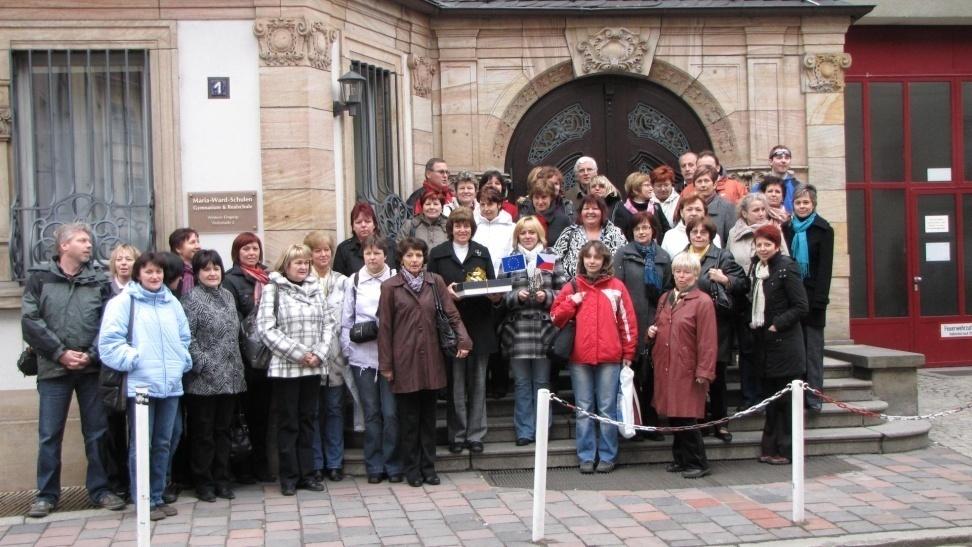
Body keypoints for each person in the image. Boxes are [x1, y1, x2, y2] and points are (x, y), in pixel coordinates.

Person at [22, 223, 126, 518]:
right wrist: (60, 353)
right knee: (49, 434)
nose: (89, 245)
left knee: (97, 432)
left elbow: (109, 321)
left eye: (89, 240)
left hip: (91, 370)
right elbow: (30, 320)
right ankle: (46, 495)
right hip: (53, 370)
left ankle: (101, 489)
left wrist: (91, 355)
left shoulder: (98, 280)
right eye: (82, 240)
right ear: (64, 246)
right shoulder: (40, 278)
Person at [99, 251, 192, 520]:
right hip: (141, 386)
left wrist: (181, 361)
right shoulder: (122, 302)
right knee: (142, 444)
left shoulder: (171, 303)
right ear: (139, 274)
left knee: (165, 441)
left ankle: (158, 495)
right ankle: (142, 499)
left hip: (170, 384)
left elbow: (184, 337)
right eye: (149, 272)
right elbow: (108, 344)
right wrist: (135, 359)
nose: (154, 276)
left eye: (158, 272)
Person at [378, 238, 472, 487]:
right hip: (404, 360)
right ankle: (412, 468)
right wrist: (386, 365)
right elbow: (385, 328)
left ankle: (429, 467)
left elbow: (452, 313)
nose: (414, 260)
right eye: (409, 256)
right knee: (408, 420)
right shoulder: (390, 287)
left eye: (418, 255)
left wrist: (464, 340)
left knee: (429, 419)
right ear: (401, 259)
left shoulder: (435, 282)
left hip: (431, 358)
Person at [551, 241, 638, 474]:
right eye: (588, 257)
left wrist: (629, 351)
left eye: (596, 257)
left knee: (607, 408)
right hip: (580, 357)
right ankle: (586, 455)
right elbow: (555, 316)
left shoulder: (617, 286)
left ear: (604, 261)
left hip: (610, 357)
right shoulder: (573, 286)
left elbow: (627, 322)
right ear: (582, 260)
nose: (592, 261)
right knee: (584, 408)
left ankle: (608, 455)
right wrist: (572, 302)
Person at [257, 244, 332, 496]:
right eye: (298, 263)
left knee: (308, 421)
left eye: (306, 263)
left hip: (312, 368)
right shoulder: (273, 289)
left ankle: (308, 474)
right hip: (287, 368)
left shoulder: (316, 289)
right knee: (288, 423)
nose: (303, 267)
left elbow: (328, 323)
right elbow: (267, 329)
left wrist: (319, 353)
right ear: (286, 265)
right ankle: (289, 476)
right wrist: (300, 354)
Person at [428, 207, 497, 455]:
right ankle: (456, 435)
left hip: (479, 325)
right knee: (456, 384)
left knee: (478, 384)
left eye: (466, 225)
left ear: (472, 228)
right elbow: (429, 290)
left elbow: (493, 286)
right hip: (451, 329)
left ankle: (476, 434)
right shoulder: (438, 254)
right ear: (450, 229)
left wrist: (494, 293)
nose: (462, 229)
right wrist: (445, 293)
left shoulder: (482, 252)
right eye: (457, 225)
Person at [180, 250, 247, 502]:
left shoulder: (228, 296)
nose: (212, 273)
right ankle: (203, 481)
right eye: (206, 269)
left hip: (230, 377)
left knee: (224, 432)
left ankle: (222, 479)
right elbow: (188, 338)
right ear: (197, 273)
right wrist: (204, 364)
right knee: (203, 433)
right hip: (203, 381)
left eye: (216, 268)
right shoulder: (191, 300)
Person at [647, 252, 717, 479]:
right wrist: (651, 333)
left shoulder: (703, 302)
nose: (681, 276)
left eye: (686, 272)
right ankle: (680, 458)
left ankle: (698, 461)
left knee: (687, 416)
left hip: (687, 368)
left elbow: (707, 340)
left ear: (695, 274)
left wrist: (704, 371)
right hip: (667, 364)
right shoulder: (666, 297)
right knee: (674, 415)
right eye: (678, 271)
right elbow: (660, 325)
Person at [498, 216, 567, 445]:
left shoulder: (547, 257)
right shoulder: (512, 259)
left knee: (541, 383)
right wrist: (515, 296)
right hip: (518, 331)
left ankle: (542, 430)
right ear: (517, 236)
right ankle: (525, 431)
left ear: (539, 235)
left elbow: (564, 291)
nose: (527, 237)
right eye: (523, 233)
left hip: (544, 330)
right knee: (521, 383)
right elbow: (499, 294)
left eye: (532, 233)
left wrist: (546, 296)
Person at [341, 235, 402, 484]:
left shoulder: (396, 278)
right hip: (363, 358)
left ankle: (393, 463)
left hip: (392, 358)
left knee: (391, 413)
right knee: (372, 414)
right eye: (368, 253)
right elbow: (346, 320)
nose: (373, 257)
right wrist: (348, 350)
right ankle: (374, 465)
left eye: (377, 253)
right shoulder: (354, 281)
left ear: (385, 255)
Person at [749, 224, 808, 465]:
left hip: (785, 346)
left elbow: (801, 305)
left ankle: (786, 449)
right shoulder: (757, 267)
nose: (762, 249)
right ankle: (770, 448)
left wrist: (777, 324)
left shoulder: (787, 268)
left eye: (767, 244)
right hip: (766, 345)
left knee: (785, 404)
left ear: (776, 245)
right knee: (771, 401)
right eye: (759, 244)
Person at [684, 218, 748, 442]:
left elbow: (743, 283)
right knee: (695, 378)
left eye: (703, 232)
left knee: (717, 377)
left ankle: (721, 423)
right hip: (690, 327)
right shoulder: (683, 257)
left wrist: (725, 279)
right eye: (694, 232)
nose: (699, 235)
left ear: (711, 235)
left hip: (717, 326)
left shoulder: (723, 256)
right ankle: (700, 421)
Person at [613, 211, 672, 441]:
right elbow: (618, 288)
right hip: (630, 323)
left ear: (653, 230)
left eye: (646, 228)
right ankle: (634, 423)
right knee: (633, 376)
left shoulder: (663, 257)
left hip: (655, 323)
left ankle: (652, 422)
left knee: (652, 377)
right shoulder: (623, 255)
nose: (642, 232)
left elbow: (668, 291)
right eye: (638, 228)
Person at [222, 232, 273, 483]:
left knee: (264, 416)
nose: (252, 253)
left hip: (269, 355)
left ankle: (262, 465)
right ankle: (244, 468)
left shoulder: (270, 277)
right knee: (244, 415)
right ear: (237, 253)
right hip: (245, 359)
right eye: (246, 250)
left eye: (255, 249)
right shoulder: (231, 280)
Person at [726, 193, 785, 409]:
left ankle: (768, 395)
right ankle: (749, 396)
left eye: (763, 209)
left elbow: (785, 261)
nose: (761, 214)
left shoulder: (774, 231)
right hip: (744, 300)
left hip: (770, 300)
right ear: (744, 213)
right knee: (747, 350)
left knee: (767, 348)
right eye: (756, 210)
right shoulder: (734, 233)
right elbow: (729, 261)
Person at [304, 231, 352, 482]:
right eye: (317, 250)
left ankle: (334, 462)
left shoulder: (343, 281)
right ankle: (316, 462)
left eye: (327, 250)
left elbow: (348, 317)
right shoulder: (302, 282)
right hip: (309, 357)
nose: (323, 255)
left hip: (336, 356)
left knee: (334, 410)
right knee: (313, 411)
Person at [782, 184, 834, 413]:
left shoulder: (823, 230)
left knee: (812, 352)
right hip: (791, 299)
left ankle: (813, 397)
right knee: (795, 351)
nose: (802, 206)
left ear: (813, 204)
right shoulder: (786, 229)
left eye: (806, 203)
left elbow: (825, 270)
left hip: (813, 299)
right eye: (798, 202)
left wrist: (819, 301)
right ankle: (795, 396)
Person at [104, 243, 140, 500]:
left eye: (129, 259)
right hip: (113, 371)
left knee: (139, 429)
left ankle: (139, 481)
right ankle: (118, 481)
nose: (124, 263)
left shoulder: (142, 292)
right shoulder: (104, 291)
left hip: (139, 367)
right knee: (113, 428)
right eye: (120, 259)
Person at [552, 195, 627, 279]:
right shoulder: (570, 232)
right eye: (586, 208)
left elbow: (626, 261)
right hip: (574, 288)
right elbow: (548, 256)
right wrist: (550, 285)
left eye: (595, 208)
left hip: (607, 288)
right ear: (580, 212)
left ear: (602, 212)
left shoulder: (615, 233)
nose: (590, 212)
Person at [334, 201, 395, 275]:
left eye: (367, 221)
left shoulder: (390, 245)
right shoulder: (343, 249)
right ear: (353, 226)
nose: (363, 225)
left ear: (374, 224)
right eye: (358, 222)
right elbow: (339, 281)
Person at [660, 192, 722, 257]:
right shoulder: (670, 236)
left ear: (705, 213)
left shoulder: (714, 237)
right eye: (689, 209)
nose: (693, 213)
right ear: (681, 213)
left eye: (698, 210)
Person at [612, 171, 670, 239]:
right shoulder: (623, 210)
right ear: (635, 190)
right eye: (647, 185)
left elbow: (667, 231)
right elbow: (620, 237)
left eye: (650, 185)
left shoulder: (656, 207)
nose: (651, 188)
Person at [474, 186, 515, 281]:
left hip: (504, 282)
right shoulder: (473, 227)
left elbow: (514, 254)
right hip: (478, 282)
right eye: (482, 205)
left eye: (490, 204)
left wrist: (503, 279)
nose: (486, 208)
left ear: (499, 204)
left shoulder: (512, 227)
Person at [687, 164, 735, 244]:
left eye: (706, 181)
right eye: (699, 181)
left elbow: (731, 240)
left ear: (715, 184)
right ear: (694, 186)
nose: (703, 185)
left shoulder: (727, 207)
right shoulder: (688, 207)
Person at [519, 172, 571, 245]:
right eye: (536, 198)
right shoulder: (523, 219)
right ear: (531, 198)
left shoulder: (562, 220)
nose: (540, 202)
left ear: (551, 198)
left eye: (544, 197)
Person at [682, 150, 748, 204]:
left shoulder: (736, 187)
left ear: (718, 168)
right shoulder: (687, 190)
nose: (705, 170)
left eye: (708, 167)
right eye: (701, 167)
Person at [767, 145, 801, 213]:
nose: (783, 161)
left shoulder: (798, 187)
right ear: (770, 161)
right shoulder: (759, 187)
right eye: (779, 158)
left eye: (787, 158)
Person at [169, 227, 200, 293]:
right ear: (178, 248)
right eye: (192, 242)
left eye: (198, 242)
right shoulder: (170, 271)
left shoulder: (200, 269)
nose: (198, 246)